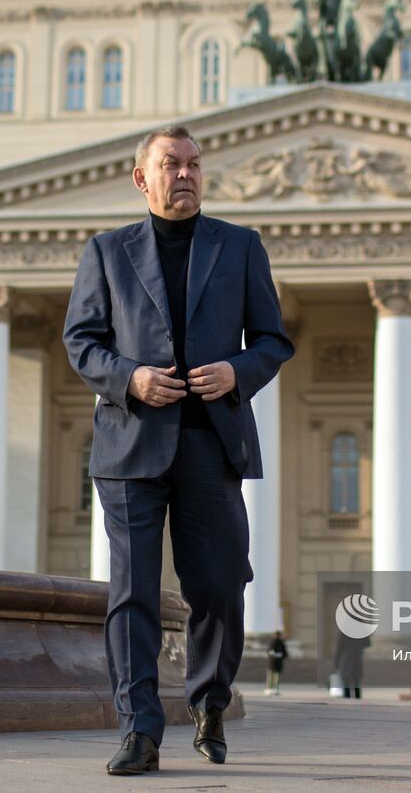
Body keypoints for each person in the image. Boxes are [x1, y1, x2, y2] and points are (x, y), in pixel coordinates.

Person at [62, 125, 293, 777]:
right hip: (131, 444)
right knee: (133, 592)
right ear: (143, 178)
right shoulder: (107, 252)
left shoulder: (240, 247)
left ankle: (210, 699)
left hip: (209, 445)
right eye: (171, 164)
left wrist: (238, 372)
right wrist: (130, 377)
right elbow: (81, 341)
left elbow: (273, 340)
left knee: (219, 586)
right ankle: (139, 730)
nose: (185, 174)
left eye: (194, 163)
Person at [336, 630, 370, 698]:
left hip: (347, 660)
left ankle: (347, 698)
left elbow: (340, 648)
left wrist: (336, 664)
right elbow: (368, 644)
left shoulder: (344, 632)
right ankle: (357, 699)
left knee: (347, 682)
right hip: (356, 659)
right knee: (356, 682)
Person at [264, 630, 288, 695]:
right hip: (272, 663)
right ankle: (268, 689)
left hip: (278, 663)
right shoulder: (272, 642)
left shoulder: (281, 643)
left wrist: (280, 655)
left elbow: (285, 653)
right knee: (270, 676)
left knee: (276, 677)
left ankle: (274, 689)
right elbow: (269, 651)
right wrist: (273, 655)